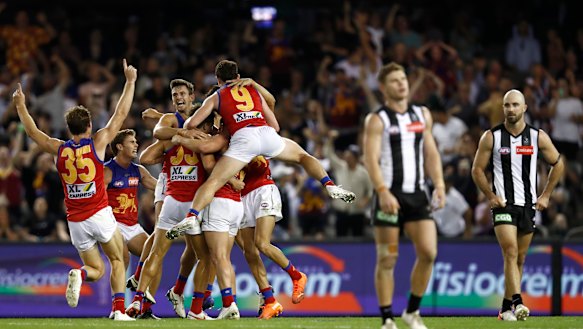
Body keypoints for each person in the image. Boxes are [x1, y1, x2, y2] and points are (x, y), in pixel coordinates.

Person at [165, 60, 355, 243]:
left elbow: (191, 123)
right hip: (265, 132)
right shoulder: (253, 90)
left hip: (243, 139)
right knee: (303, 156)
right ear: (238, 76)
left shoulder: (216, 96)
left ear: (217, 79)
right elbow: (276, 125)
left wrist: (191, 130)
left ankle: (192, 216)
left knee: (215, 180)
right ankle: (329, 184)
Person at [13, 59, 137, 321]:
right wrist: (130, 81)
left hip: (75, 220)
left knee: (95, 269)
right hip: (100, 213)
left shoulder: (59, 148)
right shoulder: (99, 142)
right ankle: (118, 310)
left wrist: (21, 106)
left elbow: (34, 133)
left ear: (69, 128)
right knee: (117, 260)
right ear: (89, 125)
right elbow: (120, 115)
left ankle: (80, 274)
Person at [362, 62, 445, 329]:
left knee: (429, 252)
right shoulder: (378, 119)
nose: (402, 83)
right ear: (383, 88)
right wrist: (382, 191)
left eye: (403, 78)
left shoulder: (422, 114)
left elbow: (431, 153)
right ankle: (387, 317)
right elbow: (370, 159)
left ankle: (412, 311)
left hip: (417, 195)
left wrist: (440, 185)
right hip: (390, 195)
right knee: (388, 257)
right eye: (395, 80)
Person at [471, 89, 564, 321]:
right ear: (503, 108)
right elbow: (477, 170)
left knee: (519, 258)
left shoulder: (537, 136)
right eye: (507, 105)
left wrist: (545, 195)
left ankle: (504, 310)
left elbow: (559, 163)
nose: (510, 109)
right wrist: (491, 196)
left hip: (528, 205)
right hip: (503, 205)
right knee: (510, 251)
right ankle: (519, 303)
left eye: (515, 105)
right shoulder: (490, 137)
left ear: (524, 108)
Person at [104, 129, 158, 319]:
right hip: (113, 224)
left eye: (136, 141)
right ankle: (116, 308)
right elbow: (97, 198)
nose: (136, 145)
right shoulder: (108, 170)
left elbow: (158, 185)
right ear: (120, 146)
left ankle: (144, 308)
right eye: (131, 142)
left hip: (133, 226)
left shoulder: (138, 170)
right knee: (122, 259)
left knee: (155, 255)